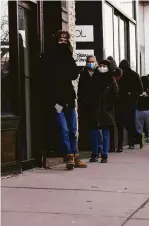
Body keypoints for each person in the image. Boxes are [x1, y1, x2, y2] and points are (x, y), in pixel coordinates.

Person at [43, 30, 86, 170]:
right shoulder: (49, 57)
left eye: (65, 40)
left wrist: (68, 56)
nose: (62, 43)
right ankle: (68, 155)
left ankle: (75, 154)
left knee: (73, 129)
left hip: (68, 98)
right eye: (60, 40)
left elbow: (74, 74)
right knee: (64, 129)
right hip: (57, 101)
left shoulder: (68, 56)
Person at [88, 60, 119, 163]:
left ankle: (105, 155)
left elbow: (116, 94)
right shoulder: (94, 79)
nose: (102, 67)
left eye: (104, 66)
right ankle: (94, 153)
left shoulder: (111, 80)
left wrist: (109, 105)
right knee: (94, 133)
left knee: (105, 133)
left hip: (106, 109)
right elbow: (89, 93)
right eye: (100, 65)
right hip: (95, 109)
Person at [78, 55, 103, 156]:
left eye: (92, 61)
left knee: (99, 129)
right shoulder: (83, 74)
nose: (91, 63)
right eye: (89, 61)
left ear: (96, 62)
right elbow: (80, 90)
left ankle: (100, 149)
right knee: (92, 129)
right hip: (88, 105)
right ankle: (94, 150)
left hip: (99, 104)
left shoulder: (100, 73)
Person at [119, 60, 143, 149]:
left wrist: (132, 94)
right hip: (129, 101)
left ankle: (133, 141)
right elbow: (140, 89)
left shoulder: (129, 75)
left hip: (128, 102)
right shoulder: (133, 75)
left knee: (127, 122)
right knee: (129, 122)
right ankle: (135, 140)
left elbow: (140, 89)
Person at [136, 76, 149, 148]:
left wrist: (148, 95)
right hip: (143, 109)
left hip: (144, 109)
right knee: (146, 125)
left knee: (148, 125)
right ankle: (143, 139)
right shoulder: (139, 87)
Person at [112, 67, 125, 152]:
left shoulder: (121, 83)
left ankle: (117, 146)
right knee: (117, 127)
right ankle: (117, 146)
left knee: (117, 127)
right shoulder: (112, 82)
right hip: (116, 106)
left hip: (118, 107)